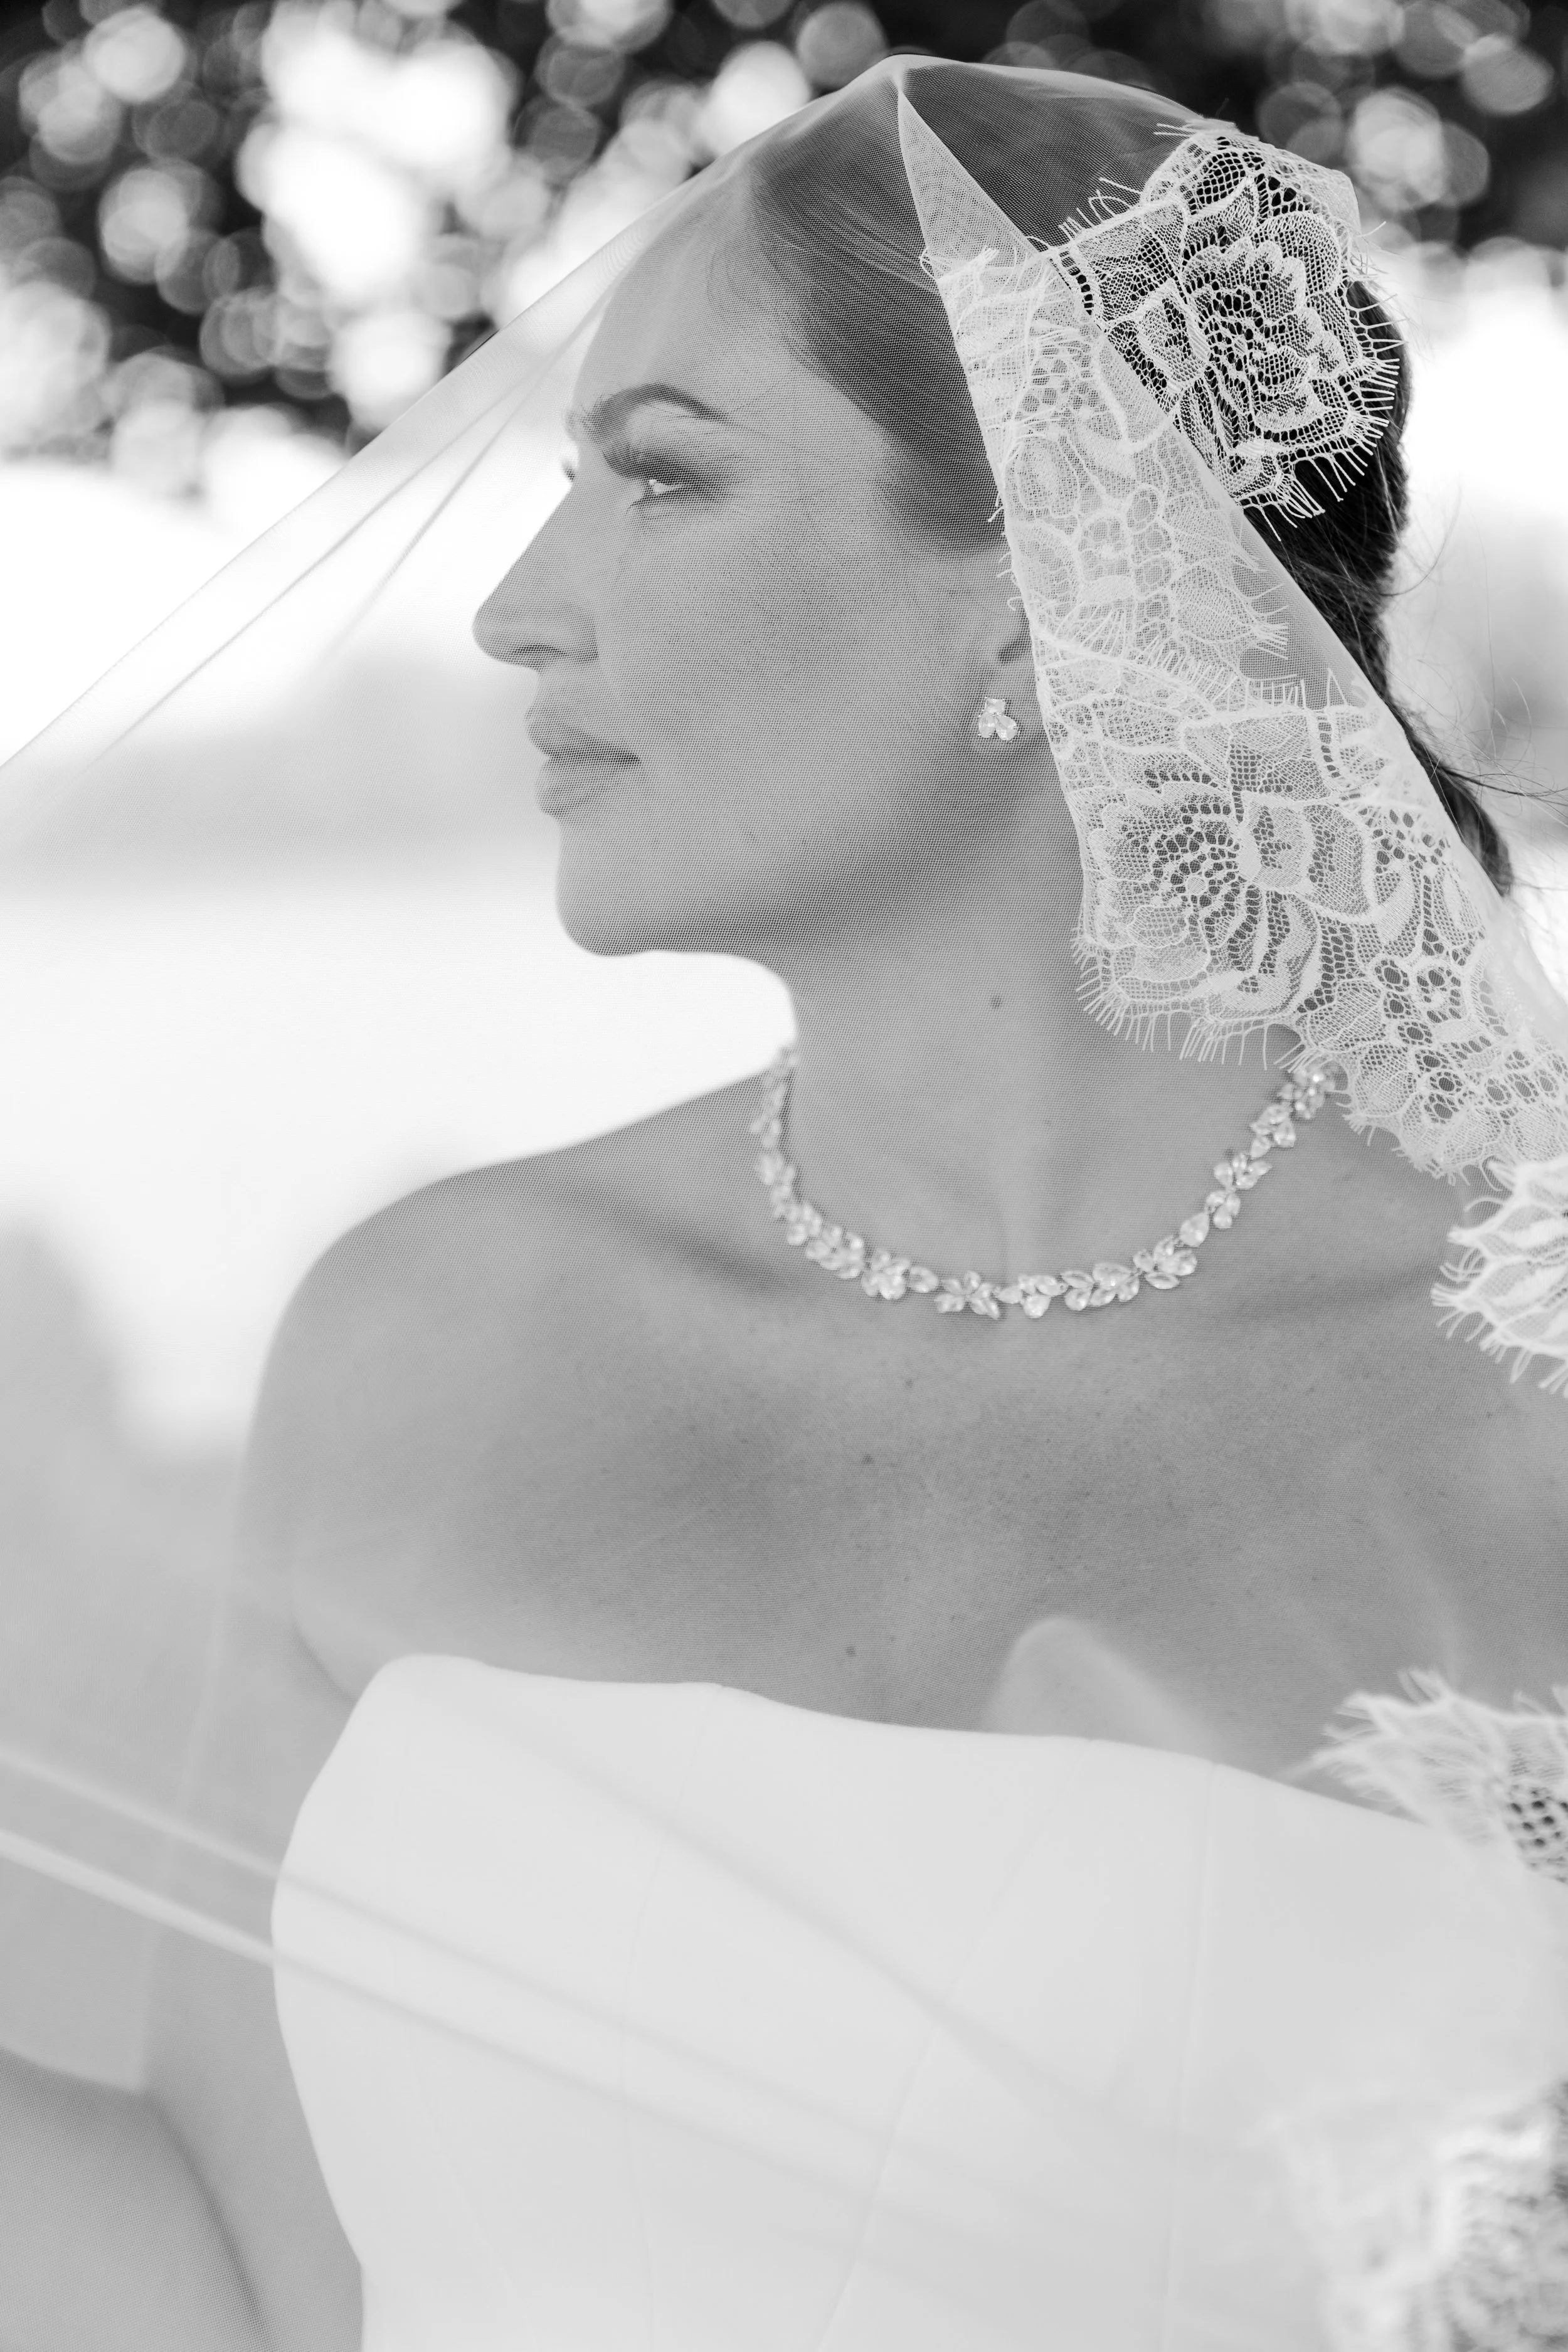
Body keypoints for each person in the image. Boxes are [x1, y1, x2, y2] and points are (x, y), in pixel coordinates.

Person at [1, 56, 1566, 2351]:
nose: (525, 621)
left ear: (1052, 564)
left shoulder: (1505, 1395)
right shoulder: (424, 1337)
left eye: (653, 474)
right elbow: (244, 2276)